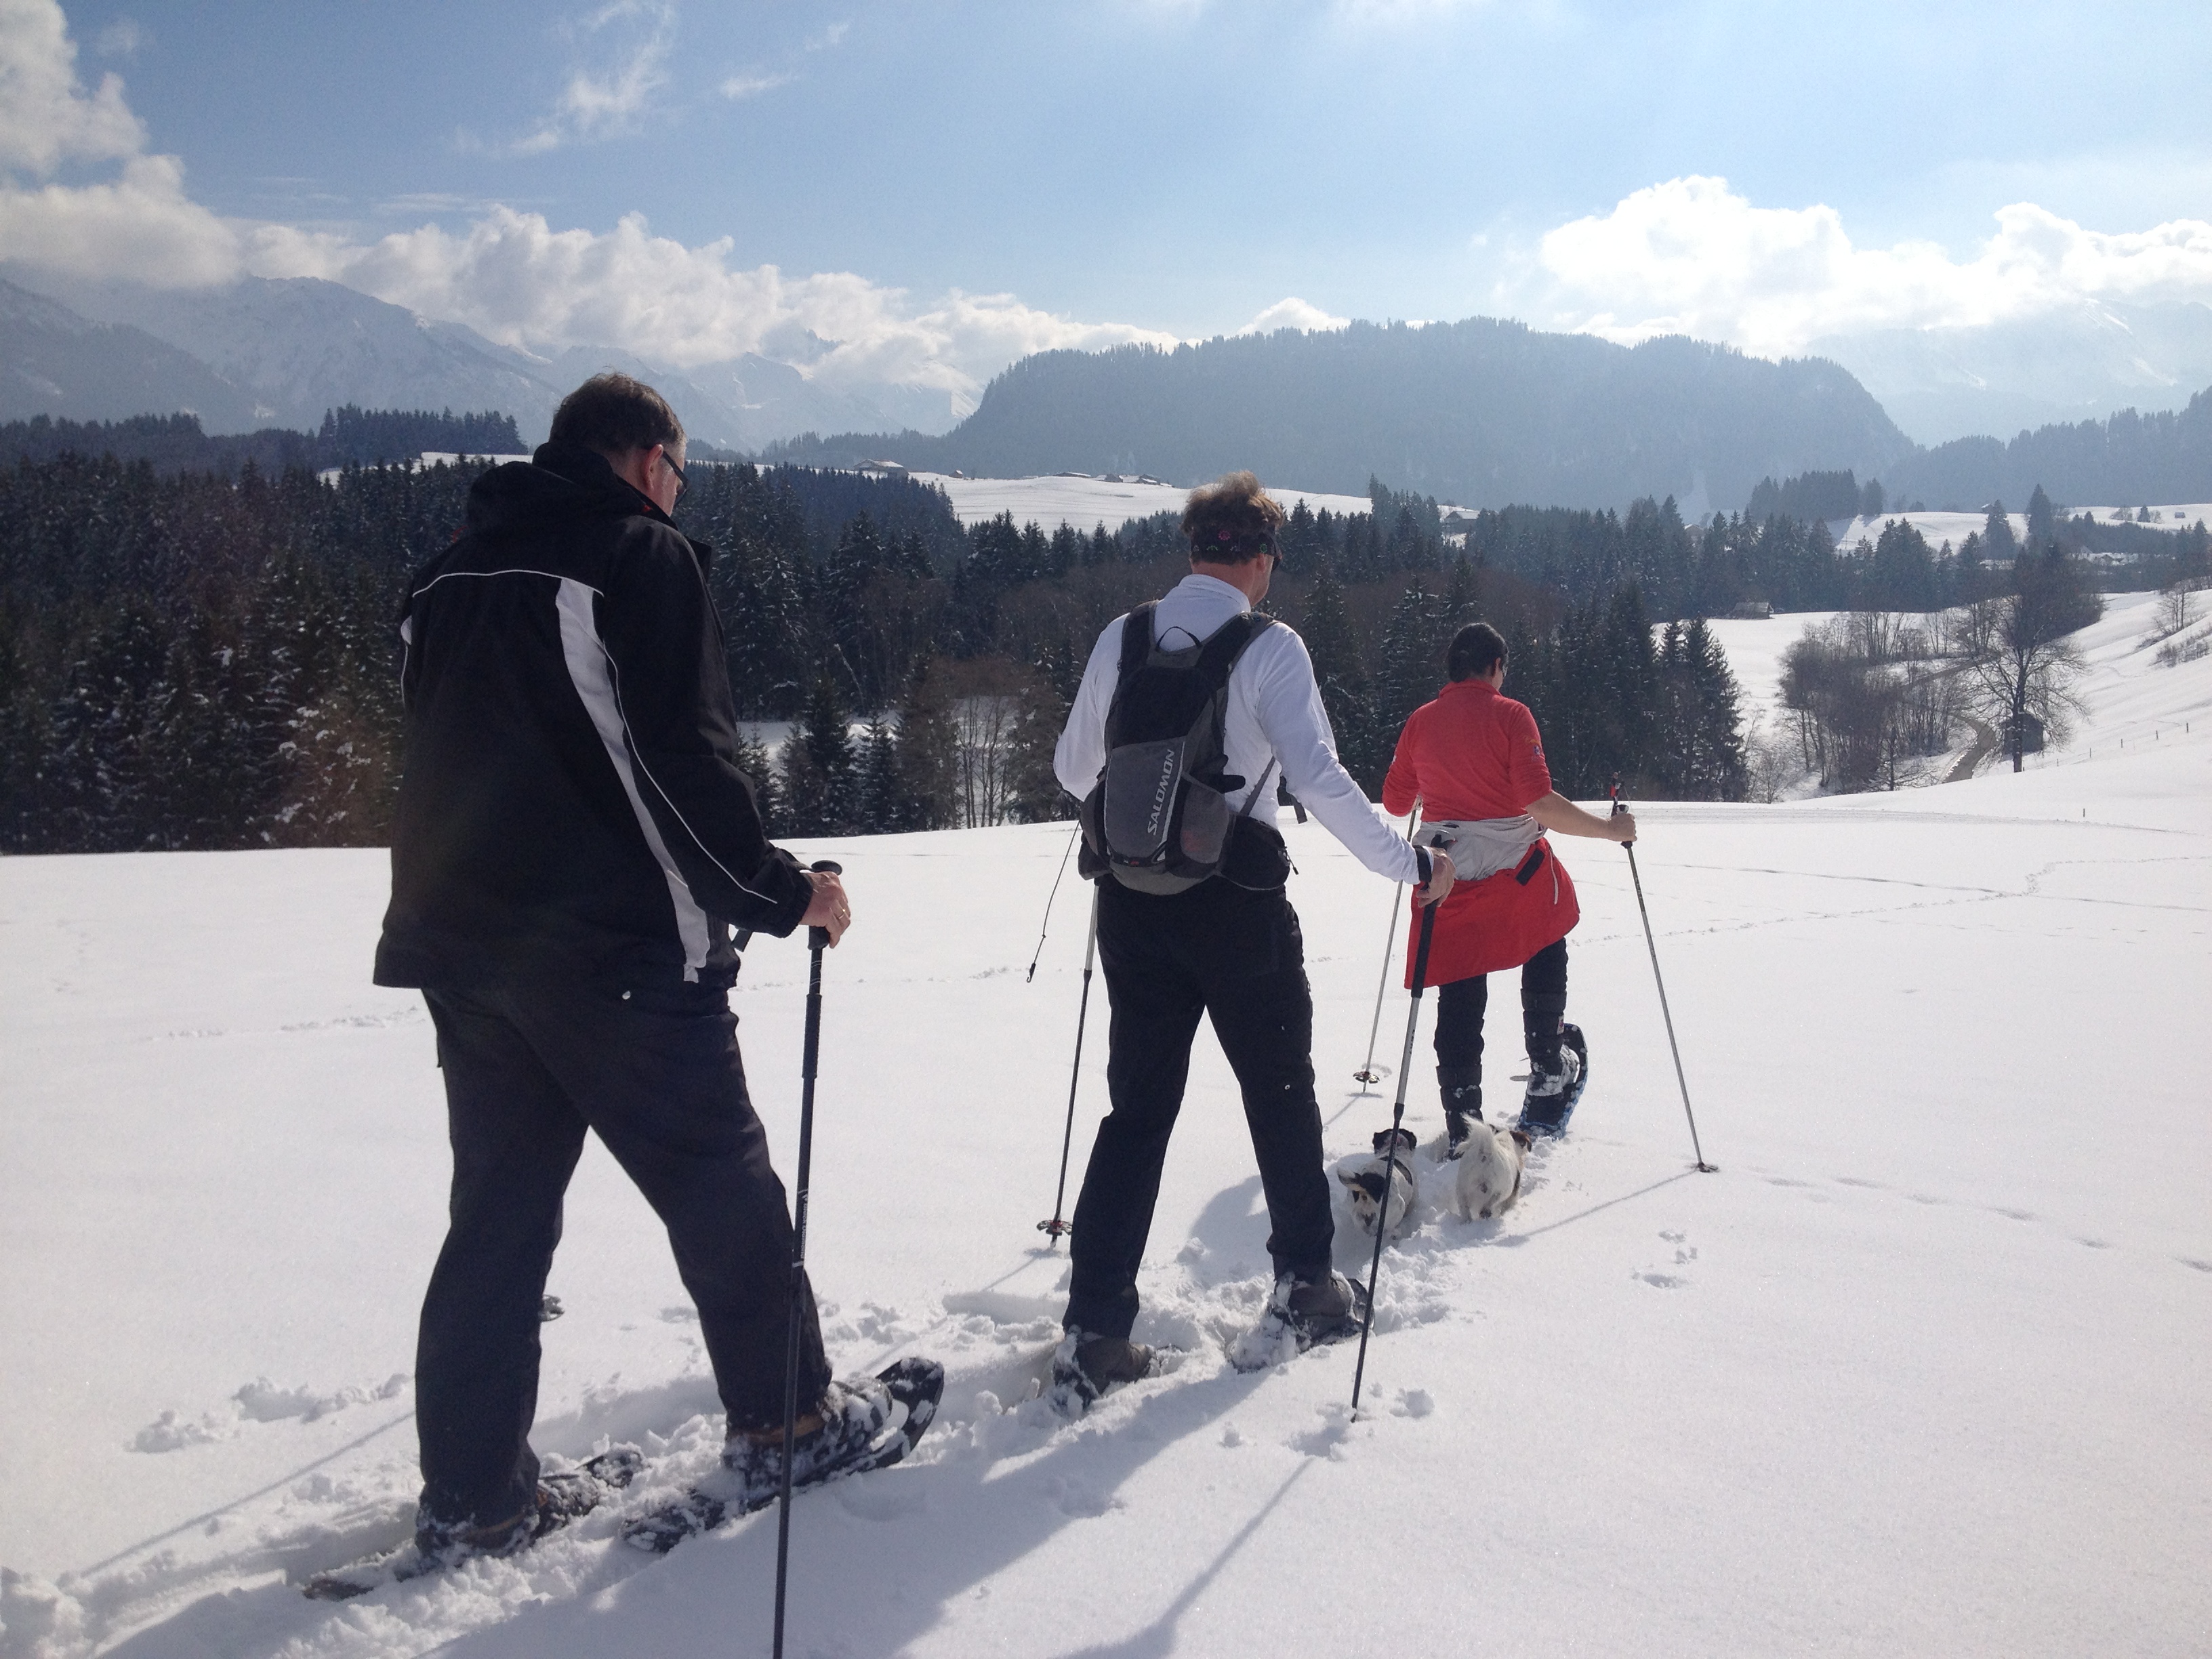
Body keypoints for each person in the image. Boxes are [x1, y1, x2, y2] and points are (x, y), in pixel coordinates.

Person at [373, 372, 932, 1565]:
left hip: (466, 949)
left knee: (498, 1220)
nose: (679, 496)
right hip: (615, 949)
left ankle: (473, 1495)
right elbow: (683, 763)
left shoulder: (447, 576)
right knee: (720, 1184)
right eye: (677, 472)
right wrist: (790, 894)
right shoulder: (636, 558)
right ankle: (788, 1421)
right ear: (642, 460)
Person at [1050, 471, 1454, 1402]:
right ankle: (1306, 1288)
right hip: (1237, 907)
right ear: (1262, 559)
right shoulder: (1272, 648)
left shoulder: (1126, 634)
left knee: (1136, 1114)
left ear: (1195, 548)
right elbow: (1317, 779)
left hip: (1133, 905)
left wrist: (1149, 830)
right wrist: (1409, 866)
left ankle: (1096, 1330)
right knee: (1278, 1094)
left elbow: (1077, 768)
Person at [1380, 621, 1636, 1146]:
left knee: (1460, 985)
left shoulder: (1420, 723)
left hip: (1446, 873)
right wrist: (1611, 831)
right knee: (1548, 927)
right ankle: (1546, 1059)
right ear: (1496, 667)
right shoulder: (1512, 715)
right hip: (1514, 872)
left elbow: (1396, 804)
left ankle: (1462, 1118)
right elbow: (1539, 804)